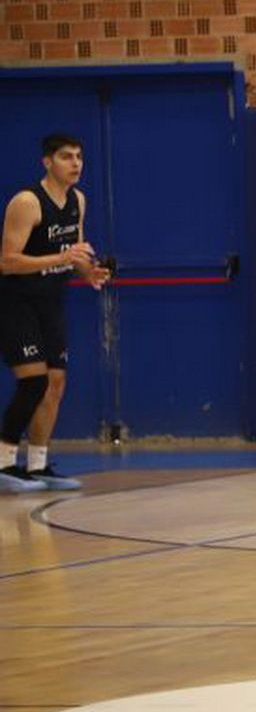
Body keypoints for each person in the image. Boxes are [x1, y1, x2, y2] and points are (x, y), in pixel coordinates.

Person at [0, 133, 110, 494]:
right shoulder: (27, 202)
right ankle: (3, 462)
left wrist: (87, 271)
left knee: (55, 384)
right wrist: (60, 258)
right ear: (47, 162)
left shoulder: (78, 200)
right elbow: (7, 262)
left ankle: (38, 464)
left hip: (50, 302)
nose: (75, 163)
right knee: (33, 381)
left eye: (79, 156)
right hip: (16, 303)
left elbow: (74, 251)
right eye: (66, 156)